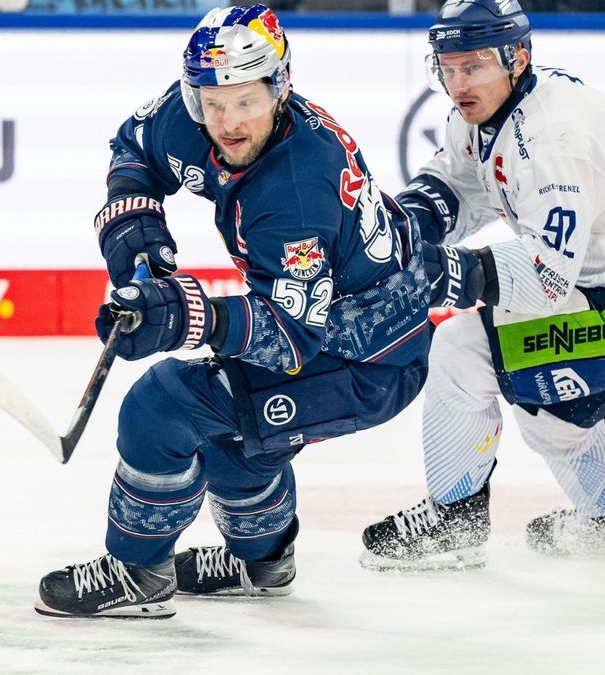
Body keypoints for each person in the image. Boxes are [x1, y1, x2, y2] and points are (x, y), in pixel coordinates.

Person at [35, 4, 432, 619]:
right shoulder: (196, 111)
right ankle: (264, 563)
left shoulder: (295, 192)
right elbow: (135, 143)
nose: (227, 122)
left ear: (280, 88)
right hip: (330, 322)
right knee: (240, 438)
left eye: (245, 101)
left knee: (164, 404)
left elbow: (294, 339)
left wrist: (186, 314)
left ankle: (138, 571)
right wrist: (134, 222)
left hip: (368, 357)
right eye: (212, 104)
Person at [360, 0, 605, 571]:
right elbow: (458, 183)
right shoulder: (492, 108)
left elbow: (549, 278)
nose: (457, 83)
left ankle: (455, 517)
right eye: (446, 67)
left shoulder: (555, 138)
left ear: (516, 58)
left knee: (463, 347)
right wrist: (405, 228)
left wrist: (446, 274)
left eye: (472, 66)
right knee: (546, 405)